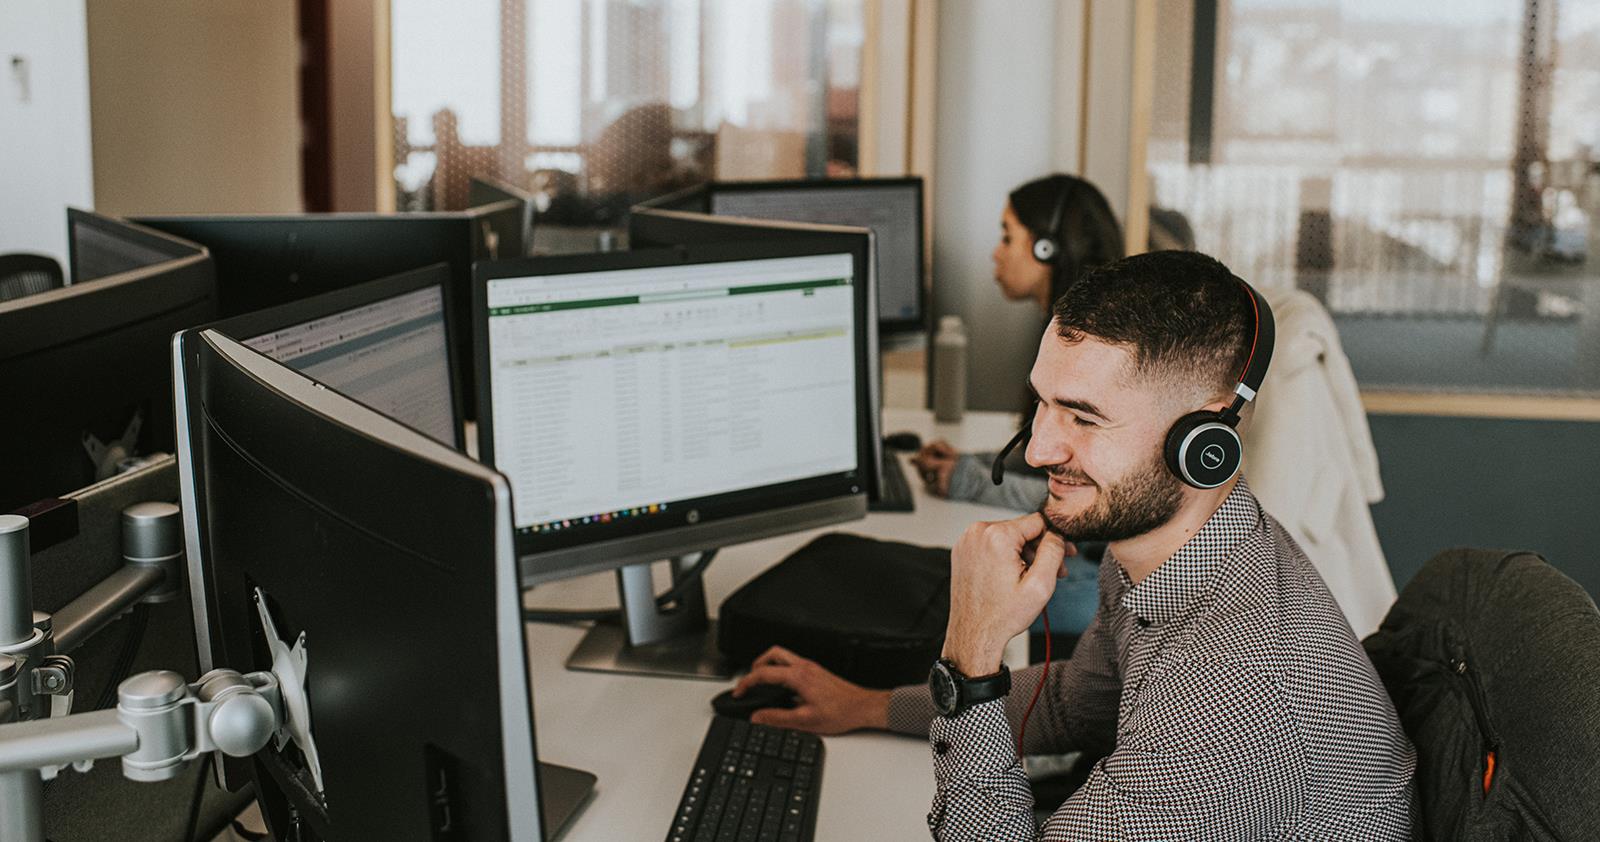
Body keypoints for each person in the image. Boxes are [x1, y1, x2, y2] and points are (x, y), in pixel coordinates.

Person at [734, 251, 1417, 838]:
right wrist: (868, 704)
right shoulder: (1181, 552)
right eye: (1043, 403)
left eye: (1083, 417)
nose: (1036, 448)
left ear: (1204, 442)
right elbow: (1074, 704)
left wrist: (970, 650)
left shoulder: (1233, 693)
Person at [913, 174, 1124, 639]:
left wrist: (969, 480)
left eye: (1008, 236)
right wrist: (972, 465)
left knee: (942, 590)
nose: (996, 252)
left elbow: (1090, 497)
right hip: (1090, 564)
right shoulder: (1071, 326)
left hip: (1099, 578)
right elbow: (1052, 462)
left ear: (1047, 249)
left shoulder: (1096, 345)